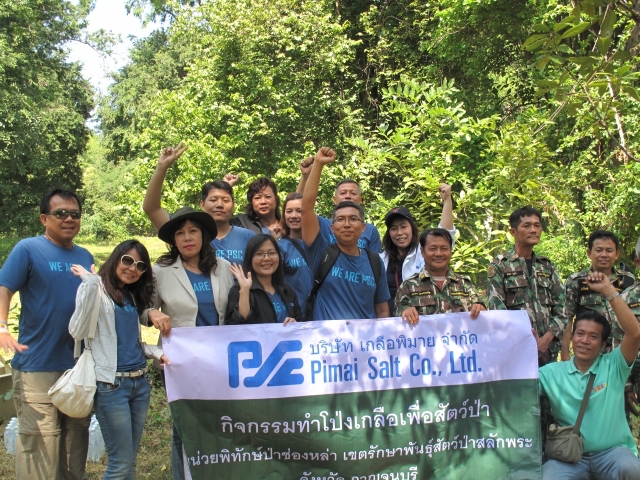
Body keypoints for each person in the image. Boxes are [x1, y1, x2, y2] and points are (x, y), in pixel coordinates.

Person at [0, 189, 94, 479]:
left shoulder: (85, 255)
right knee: (40, 446)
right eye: (60, 213)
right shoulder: (28, 249)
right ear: (44, 218)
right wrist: (2, 326)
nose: (69, 219)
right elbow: (4, 288)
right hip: (37, 366)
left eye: (75, 214)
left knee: (74, 443)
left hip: (77, 366)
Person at [141, 207, 234, 480]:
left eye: (193, 231)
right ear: (174, 240)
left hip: (220, 361)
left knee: (220, 422)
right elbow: (141, 308)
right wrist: (152, 313)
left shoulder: (223, 267)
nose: (187, 238)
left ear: (203, 235)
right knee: (184, 428)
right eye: (180, 233)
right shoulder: (160, 272)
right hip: (181, 363)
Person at [69, 240, 169, 480]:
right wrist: (90, 284)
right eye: (128, 260)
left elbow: (131, 343)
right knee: (120, 463)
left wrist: (157, 353)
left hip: (140, 384)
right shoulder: (95, 289)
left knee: (130, 461)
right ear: (116, 258)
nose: (133, 268)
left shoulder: (130, 296)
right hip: (112, 386)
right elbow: (76, 331)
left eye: (140, 265)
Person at [539, 272, 640, 479]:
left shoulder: (614, 366)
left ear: (603, 345)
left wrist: (609, 291)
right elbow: (516, 387)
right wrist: (524, 349)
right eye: (580, 334)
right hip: (570, 456)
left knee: (631, 469)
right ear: (572, 338)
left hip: (613, 454)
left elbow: (635, 334)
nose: (585, 340)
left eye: (593, 336)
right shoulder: (551, 373)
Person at [301, 147, 390, 321]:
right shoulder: (321, 252)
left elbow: (382, 310)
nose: (347, 224)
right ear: (332, 227)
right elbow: (306, 208)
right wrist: (318, 164)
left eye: (353, 219)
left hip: (364, 338)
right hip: (327, 337)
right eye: (340, 219)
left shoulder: (374, 262)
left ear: (363, 227)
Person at [143, 144, 255, 264]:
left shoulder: (248, 237)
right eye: (213, 200)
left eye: (226, 200)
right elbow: (152, 209)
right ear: (202, 204)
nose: (219, 204)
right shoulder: (188, 232)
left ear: (233, 205)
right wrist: (161, 168)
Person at [487, 206, 568, 366]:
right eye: (527, 225)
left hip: (548, 352)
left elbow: (563, 307)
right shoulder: (500, 266)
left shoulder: (546, 266)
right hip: (516, 353)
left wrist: (548, 338)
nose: (533, 230)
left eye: (537, 225)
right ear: (513, 232)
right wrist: (526, 342)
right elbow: (498, 312)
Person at [381, 184, 457, 313]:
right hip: (390, 321)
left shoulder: (424, 253)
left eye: (403, 227)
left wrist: (447, 200)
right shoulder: (381, 259)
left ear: (412, 228)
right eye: (394, 228)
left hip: (422, 320)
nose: (399, 233)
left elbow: (446, 234)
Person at [563, 230, 635, 355]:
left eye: (609, 250)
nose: (604, 255)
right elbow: (567, 319)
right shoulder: (577, 281)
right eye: (599, 250)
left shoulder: (628, 280)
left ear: (617, 254)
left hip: (622, 353)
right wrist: (565, 355)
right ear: (589, 253)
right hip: (590, 354)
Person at [395, 228, 485, 323]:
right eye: (433, 248)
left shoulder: (465, 284)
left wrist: (479, 308)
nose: (438, 253)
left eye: (444, 248)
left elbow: (481, 311)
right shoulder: (408, 286)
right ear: (422, 252)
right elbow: (398, 315)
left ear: (450, 251)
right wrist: (405, 311)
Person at [297, 155, 382, 252]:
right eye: (343, 193)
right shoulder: (322, 224)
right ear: (334, 199)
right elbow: (302, 208)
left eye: (353, 193)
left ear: (360, 200)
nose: (348, 196)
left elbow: (375, 259)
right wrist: (305, 177)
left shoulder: (371, 230)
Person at [226, 234, 301, 324]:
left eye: (272, 253)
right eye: (259, 254)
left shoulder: (287, 290)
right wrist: (245, 291)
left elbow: (300, 322)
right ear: (250, 258)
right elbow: (239, 326)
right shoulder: (238, 291)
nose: (266, 258)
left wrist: (294, 323)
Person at [279, 192, 314, 316]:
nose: (293, 216)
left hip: (321, 314)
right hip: (296, 315)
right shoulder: (280, 247)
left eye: (299, 211)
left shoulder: (320, 244)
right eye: (289, 211)